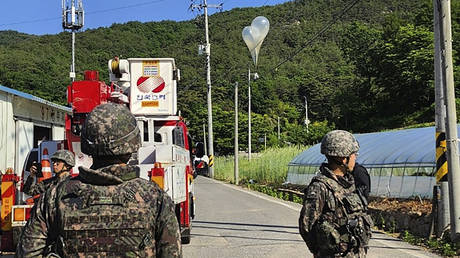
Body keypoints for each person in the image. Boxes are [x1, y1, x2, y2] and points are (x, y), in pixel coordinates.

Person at [16, 103, 182, 257]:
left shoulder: (55, 197)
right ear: (133, 144)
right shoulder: (155, 198)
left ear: (86, 143)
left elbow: (27, 253)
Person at [299, 130, 372, 258]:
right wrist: (323, 251)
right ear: (343, 158)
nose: (355, 157)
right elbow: (307, 226)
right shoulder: (320, 187)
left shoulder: (350, 182)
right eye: (354, 154)